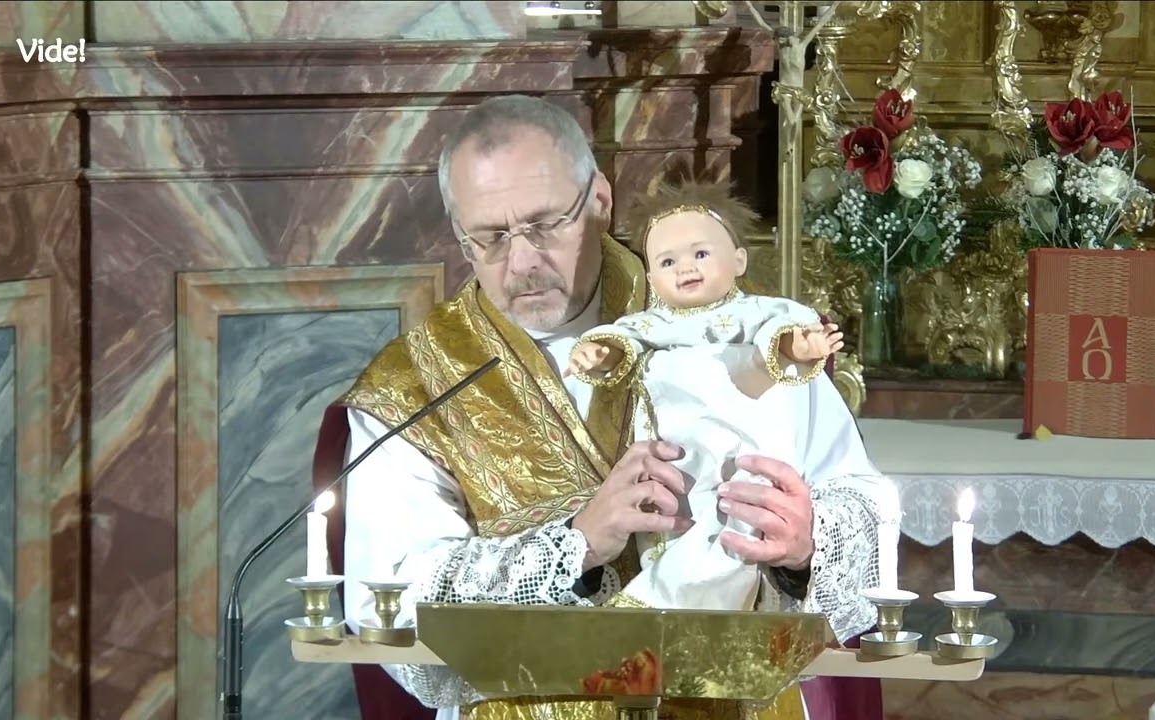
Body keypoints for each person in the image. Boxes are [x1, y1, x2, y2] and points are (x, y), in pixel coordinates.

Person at [312, 94, 886, 720]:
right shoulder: (416, 386)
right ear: (461, 239)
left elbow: (860, 505)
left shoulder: (730, 322)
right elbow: (390, 601)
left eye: (544, 224)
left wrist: (806, 545)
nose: (523, 262)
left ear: (599, 202)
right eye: (492, 237)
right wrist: (574, 545)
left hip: (736, 696)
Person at [564, 180, 869, 613]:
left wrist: (800, 348)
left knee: (737, 523)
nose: (685, 267)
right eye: (668, 260)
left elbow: (778, 339)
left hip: (746, 447)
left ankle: (707, 596)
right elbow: (622, 343)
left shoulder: (757, 313)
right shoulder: (653, 325)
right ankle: (666, 598)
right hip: (680, 455)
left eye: (700, 254)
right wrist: (598, 352)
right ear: (651, 277)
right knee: (682, 526)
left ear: (739, 259)